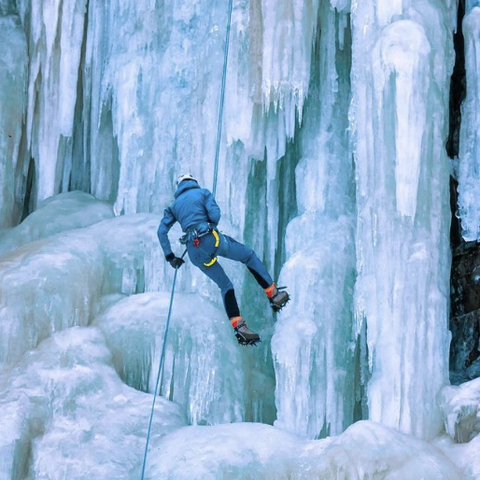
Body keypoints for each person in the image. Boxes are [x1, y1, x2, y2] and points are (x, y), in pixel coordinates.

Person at [157, 174, 289, 346]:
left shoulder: (174, 206)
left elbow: (161, 231)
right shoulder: (202, 193)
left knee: (225, 285)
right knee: (248, 255)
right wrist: (207, 221)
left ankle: (238, 326)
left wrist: (171, 257)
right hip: (211, 240)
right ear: (193, 182)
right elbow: (215, 216)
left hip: (195, 252)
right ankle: (273, 294)